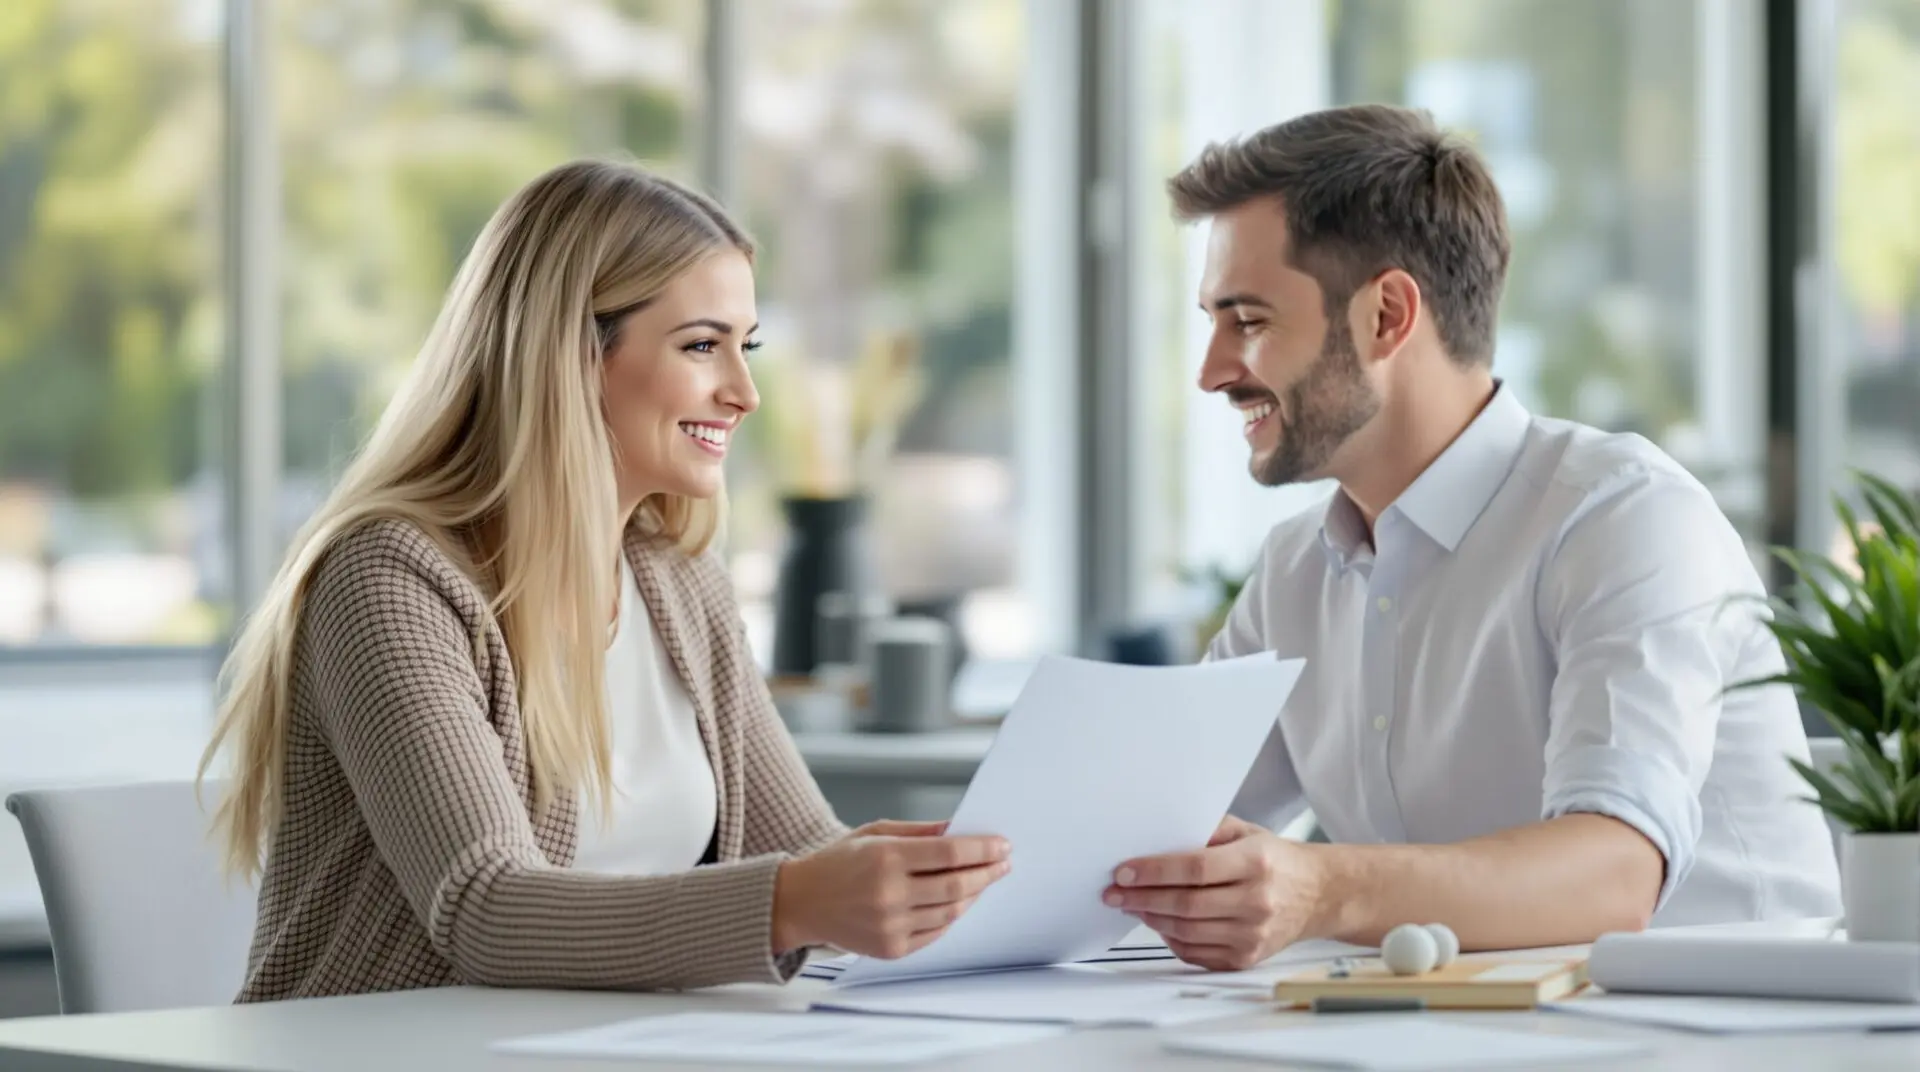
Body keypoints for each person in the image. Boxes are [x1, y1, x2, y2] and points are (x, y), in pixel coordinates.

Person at [197, 160, 1009, 1001]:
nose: (744, 393)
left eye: (746, 345)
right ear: (574, 357)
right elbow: (487, 913)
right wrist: (793, 901)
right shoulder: (390, 580)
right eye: (702, 346)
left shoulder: (678, 582)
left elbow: (804, 847)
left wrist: (939, 878)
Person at [1104, 105, 1841, 971]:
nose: (1212, 371)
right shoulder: (1295, 572)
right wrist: (931, 875)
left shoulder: (1624, 518)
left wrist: (1321, 889)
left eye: (1250, 321)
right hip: (1465, 1032)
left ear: (1386, 316)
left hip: (1720, 1036)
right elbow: (1144, 835)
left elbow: (1613, 873)